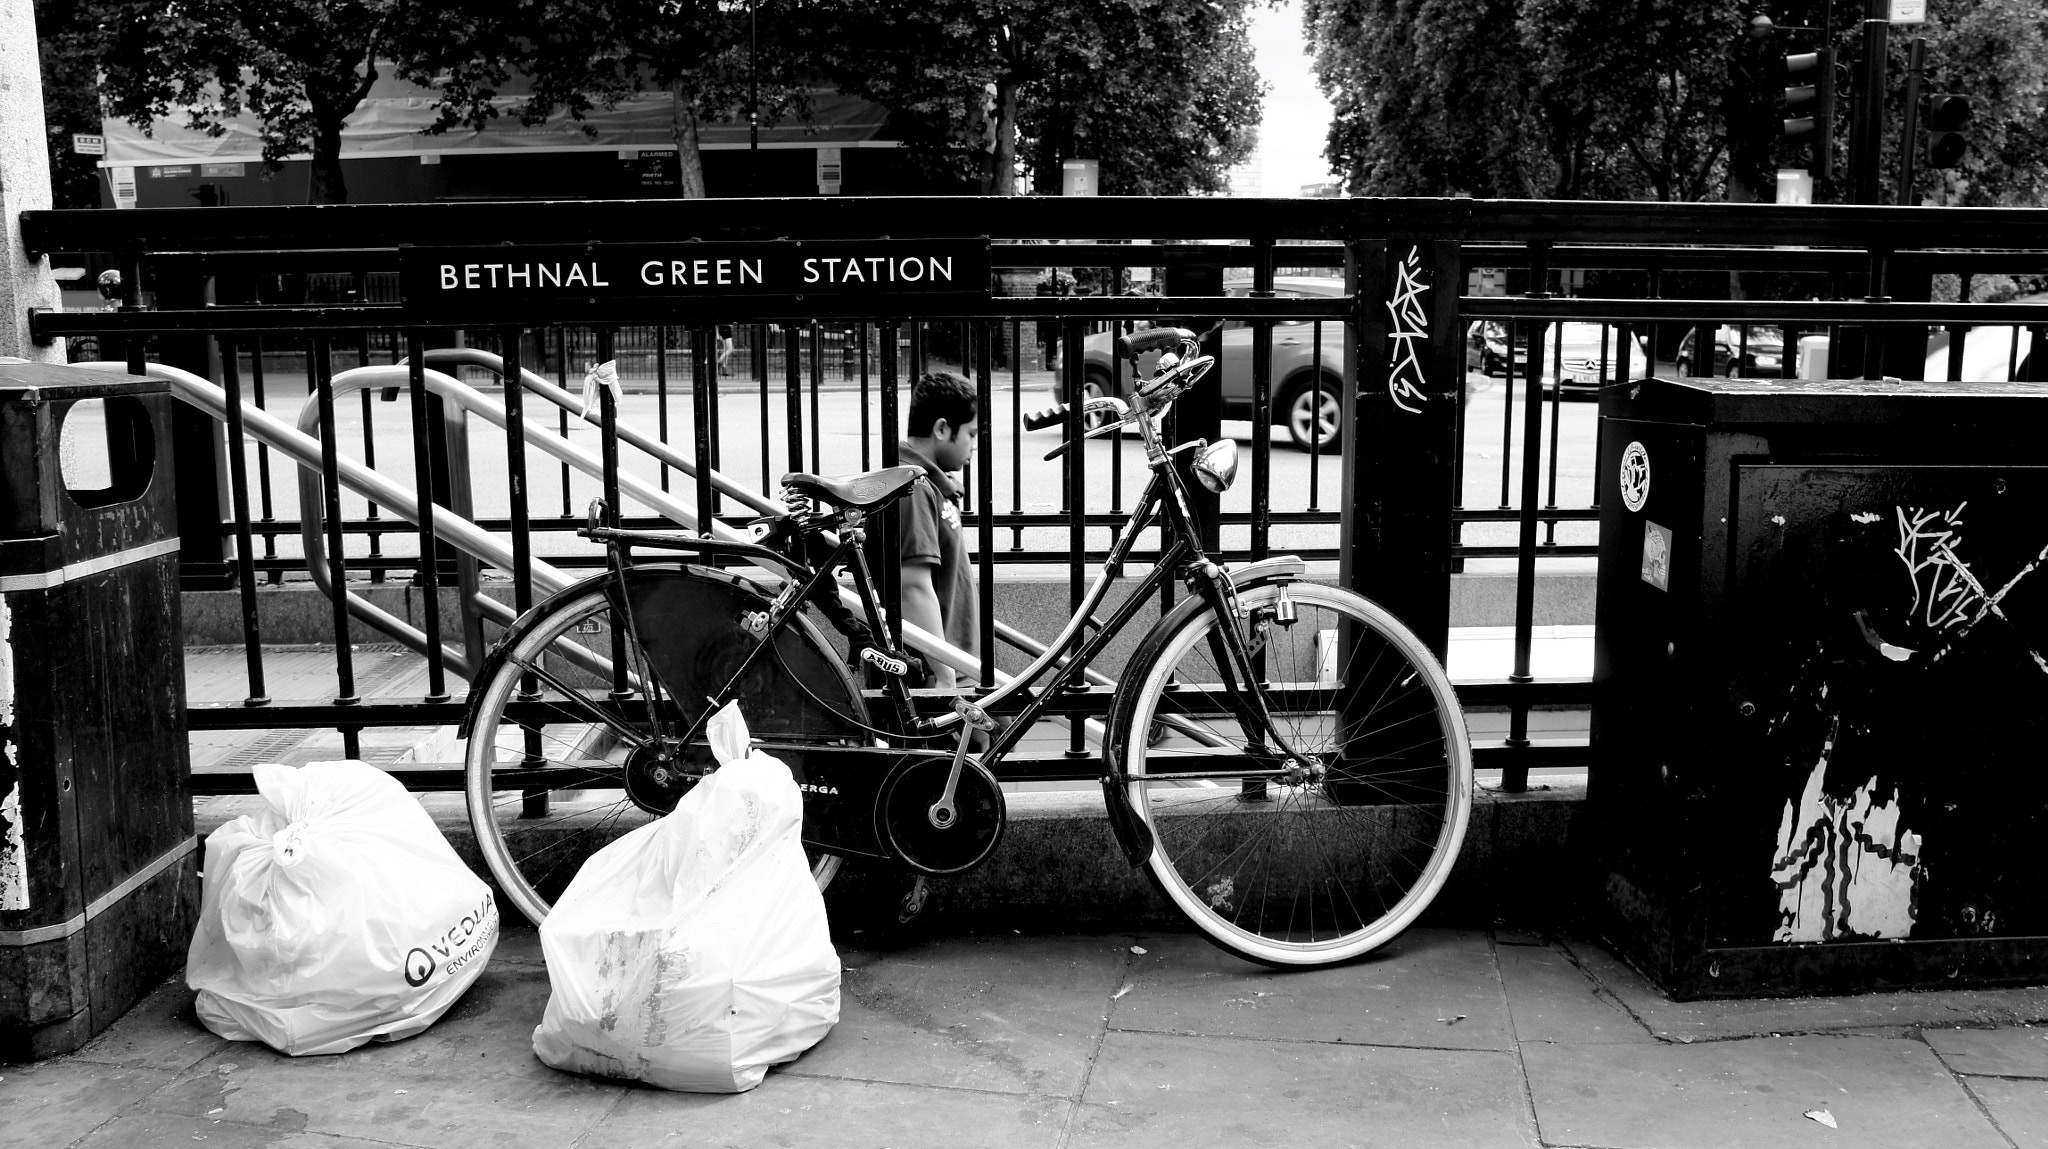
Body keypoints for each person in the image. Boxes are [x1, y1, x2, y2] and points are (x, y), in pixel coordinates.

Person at [868, 371, 980, 688]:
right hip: (938, 677)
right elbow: (912, 587)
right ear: (942, 429)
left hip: (956, 667)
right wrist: (947, 681)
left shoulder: (927, 484)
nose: (974, 445)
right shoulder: (911, 490)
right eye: (971, 434)